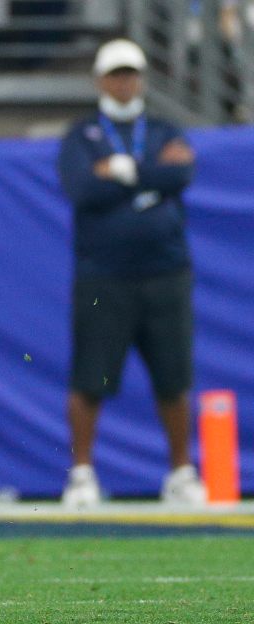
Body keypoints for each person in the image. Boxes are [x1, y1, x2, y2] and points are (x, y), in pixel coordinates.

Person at [57, 39, 205, 509]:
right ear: (101, 79)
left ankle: (181, 472)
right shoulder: (82, 135)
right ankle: (82, 474)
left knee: (173, 378)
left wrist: (121, 170)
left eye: (131, 73)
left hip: (166, 272)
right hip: (104, 276)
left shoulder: (163, 128)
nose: (124, 82)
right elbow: (82, 188)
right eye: (116, 74)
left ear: (141, 78)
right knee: (90, 378)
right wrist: (148, 176)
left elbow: (180, 176)